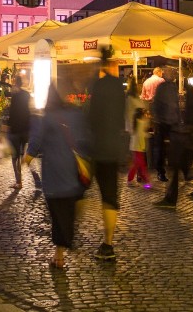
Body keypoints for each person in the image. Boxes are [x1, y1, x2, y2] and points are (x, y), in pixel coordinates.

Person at [24, 86, 90, 270]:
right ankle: (61, 249)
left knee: (56, 215)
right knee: (66, 211)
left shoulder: (45, 117)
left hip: (54, 175)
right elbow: (85, 137)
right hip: (72, 172)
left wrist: (27, 157)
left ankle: (60, 254)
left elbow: (36, 140)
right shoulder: (75, 114)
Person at [86, 46, 126, 261]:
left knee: (81, 186)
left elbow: (92, 117)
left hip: (97, 146)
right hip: (114, 147)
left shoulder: (98, 86)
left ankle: (68, 235)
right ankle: (108, 243)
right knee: (110, 196)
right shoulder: (118, 86)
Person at [153, 67, 193, 208]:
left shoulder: (167, 87)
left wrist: (163, 121)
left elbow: (167, 107)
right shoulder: (168, 87)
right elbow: (170, 107)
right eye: (173, 72)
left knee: (172, 162)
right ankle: (181, 174)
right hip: (171, 127)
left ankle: (170, 198)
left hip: (171, 127)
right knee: (173, 162)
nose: (174, 74)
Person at [5, 75, 32, 189]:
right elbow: (29, 111)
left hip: (15, 130)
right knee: (21, 154)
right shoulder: (27, 95)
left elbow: (12, 113)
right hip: (25, 129)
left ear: (16, 83)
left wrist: (8, 126)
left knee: (14, 156)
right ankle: (30, 172)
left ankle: (18, 181)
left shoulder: (15, 96)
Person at [124, 76, 149, 188]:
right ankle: (141, 177)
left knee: (138, 157)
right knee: (138, 157)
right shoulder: (132, 99)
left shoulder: (133, 98)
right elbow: (129, 114)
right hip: (136, 129)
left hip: (138, 129)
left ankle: (140, 176)